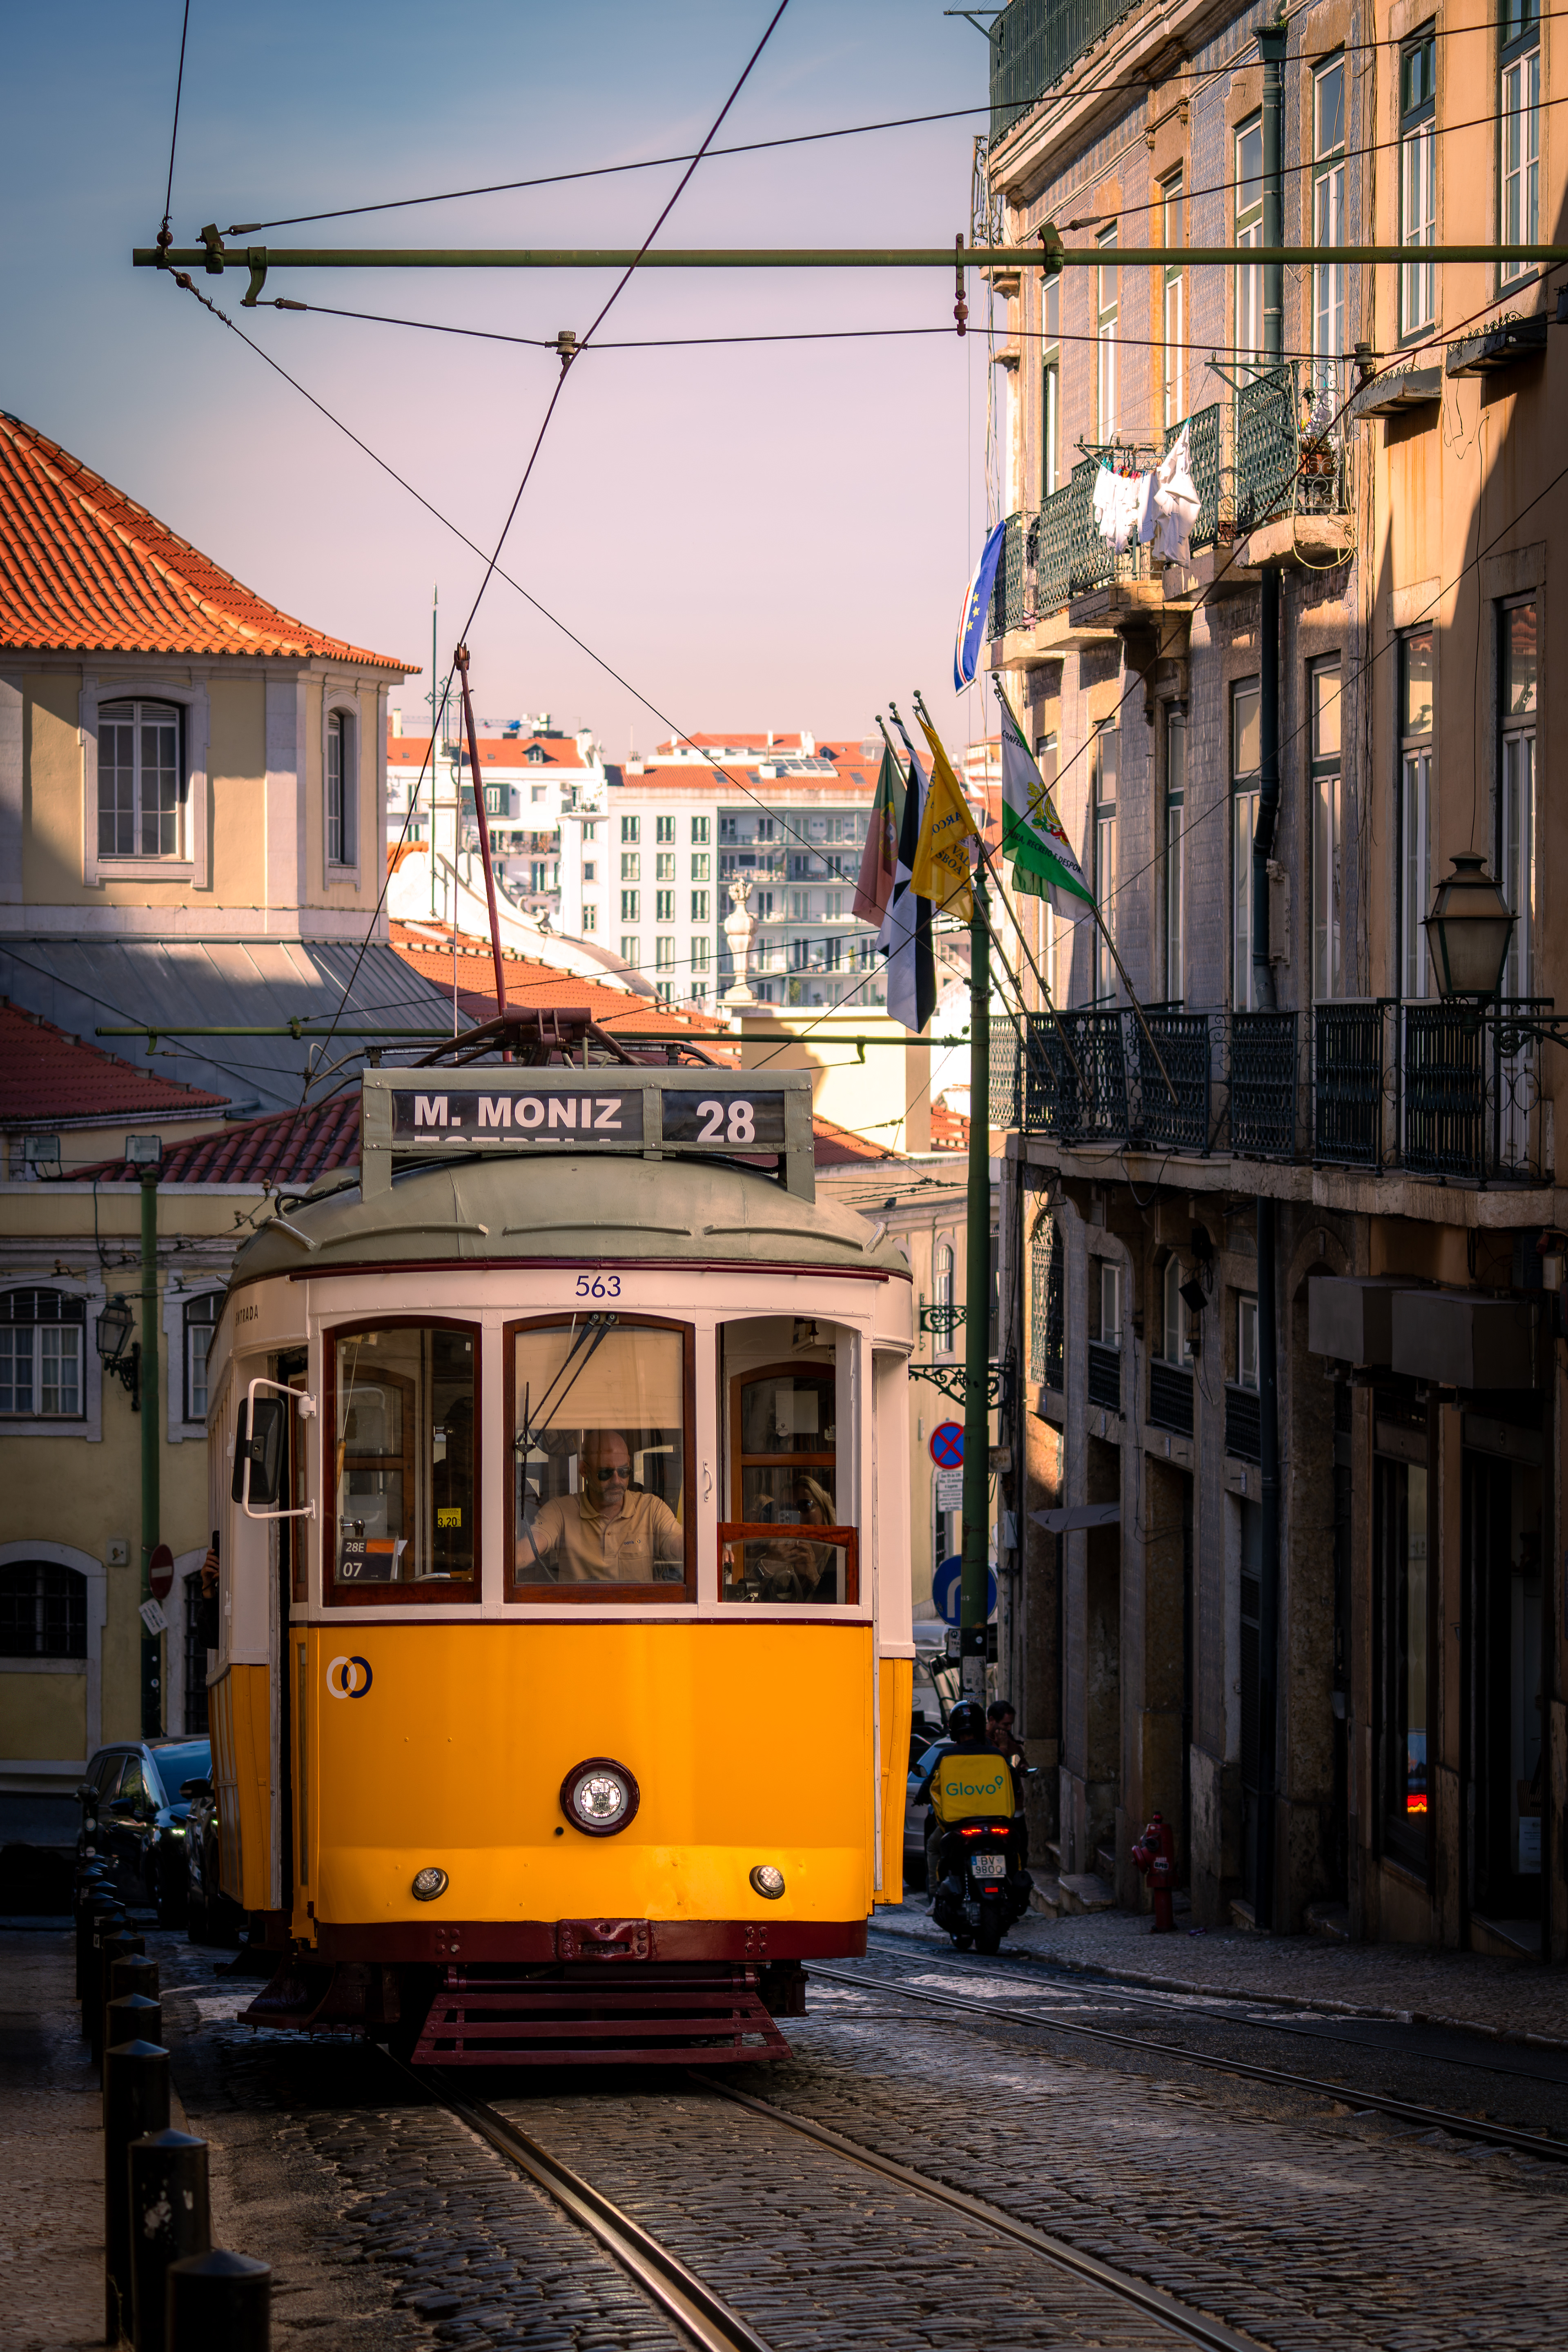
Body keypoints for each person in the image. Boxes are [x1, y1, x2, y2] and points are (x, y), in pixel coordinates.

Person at [525, 1428, 684, 1582]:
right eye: (606, 1473)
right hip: (580, 1610)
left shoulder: (651, 1509)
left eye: (623, 1471)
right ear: (584, 1471)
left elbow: (678, 1544)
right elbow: (530, 1547)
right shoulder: (560, 1511)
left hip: (636, 1610)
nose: (616, 1480)